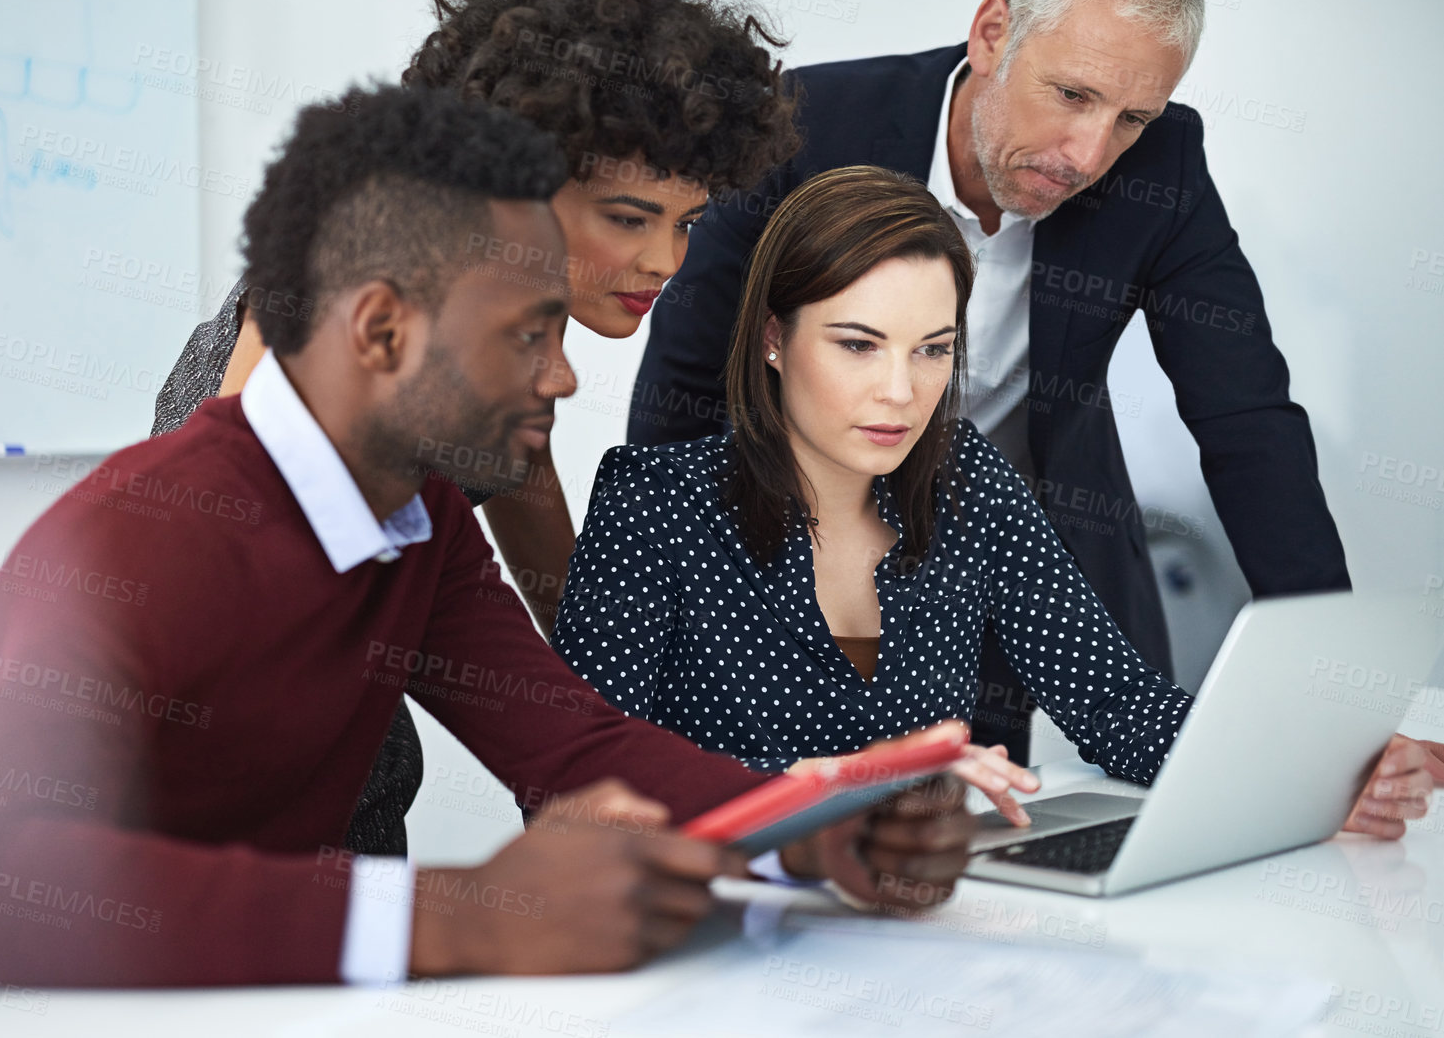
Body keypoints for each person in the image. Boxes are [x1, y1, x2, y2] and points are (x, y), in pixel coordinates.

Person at [0, 87, 976, 989]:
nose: (558, 376)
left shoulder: (420, 516)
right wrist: (457, 914)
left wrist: (805, 828)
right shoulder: (138, 542)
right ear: (380, 329)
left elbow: (572, 744)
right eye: (523, 334)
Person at [625, 0, 1353, 767]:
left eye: (1129, 118)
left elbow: (1248, 420)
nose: (1087, 153)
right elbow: (687, 384)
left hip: (1020, 560)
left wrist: (1330, 706)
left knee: (983, 840)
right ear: (991, 32)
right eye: (1072, 95)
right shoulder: (804, 127)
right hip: (785, 552)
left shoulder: (1163, 166)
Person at [151, 0, 802, 858]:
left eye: (686, 224)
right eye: (628, 218)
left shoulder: (496, 307)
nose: (665, 262)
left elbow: (525, 571)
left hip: (349, 820)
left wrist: (805, 804)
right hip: (227, 844)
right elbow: (244, 564)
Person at [553, 165, 1435, 839]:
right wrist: (839, 783)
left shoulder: (962, 479)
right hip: (717, 931)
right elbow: (576, 794)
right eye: (858, 346)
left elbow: (1118, 705)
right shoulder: (653, 505)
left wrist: (1315, 771)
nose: (901, 392)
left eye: (931, 349)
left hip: (928, 921)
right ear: (775, 339)